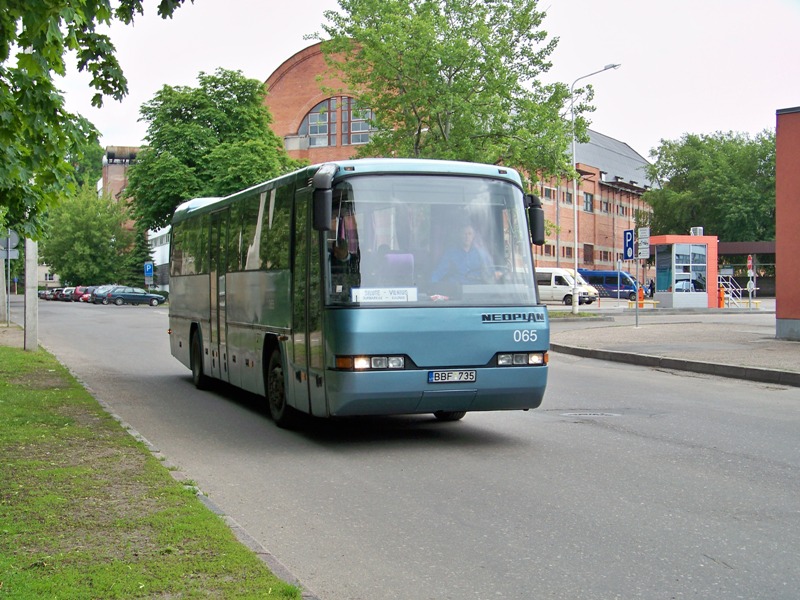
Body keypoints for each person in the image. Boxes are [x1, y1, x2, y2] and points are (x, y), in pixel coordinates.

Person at [431, 224, 499, 284]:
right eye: (464, 234)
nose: (467, 237)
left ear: (473, 236)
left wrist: (499, 275)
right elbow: (439, 272)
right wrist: (431, 286)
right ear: (460, 235)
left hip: (476, 291)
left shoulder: (481, 254)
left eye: (470, 234)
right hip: (456, 292)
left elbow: (491, 273)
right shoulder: (450, 253)